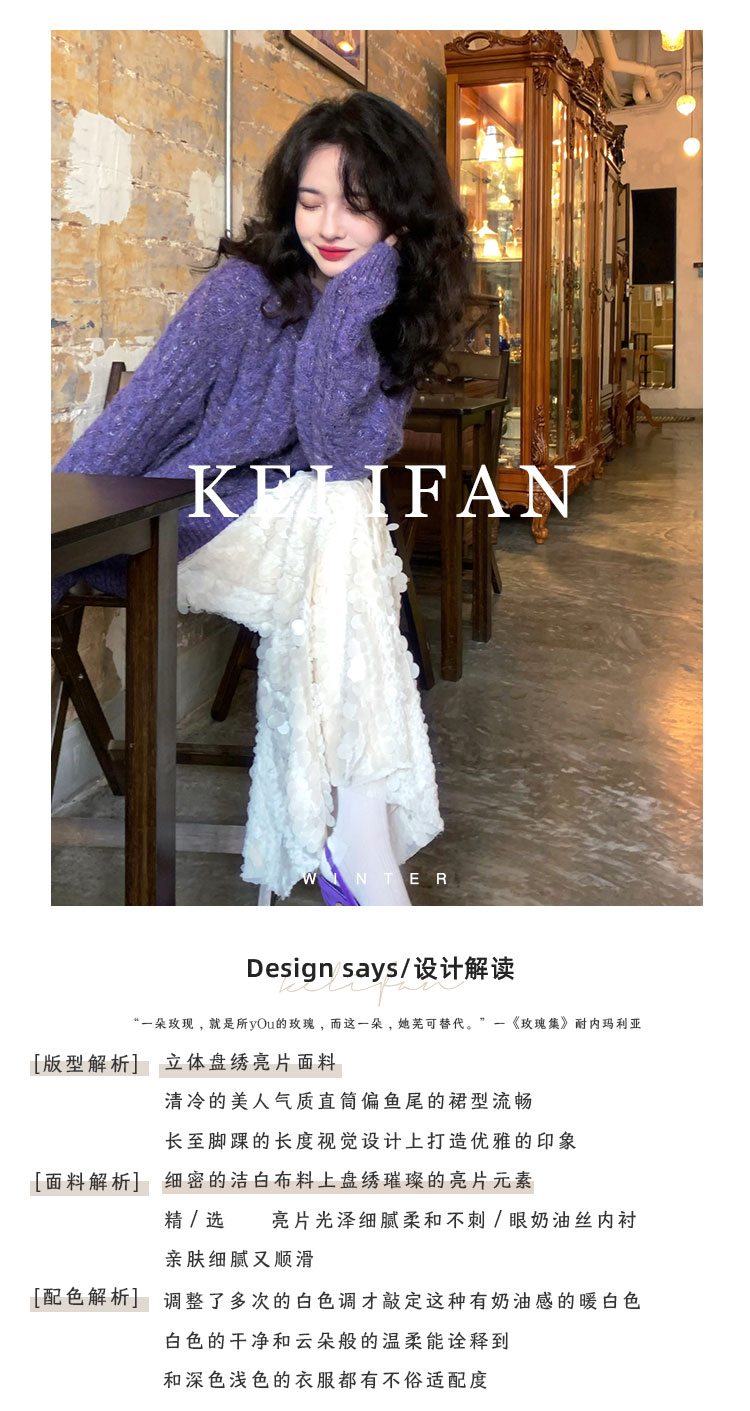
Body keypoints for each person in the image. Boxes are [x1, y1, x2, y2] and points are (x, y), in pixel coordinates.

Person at [52, 91, 474, 906]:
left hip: (304, 538)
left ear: (402, 218)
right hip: (180, 518)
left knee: (340, 514)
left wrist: (351, 304)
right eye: (311, 202)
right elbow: (136, 425)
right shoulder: (238, 295)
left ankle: (349, 836)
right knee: (344, 518)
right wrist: (45, 548)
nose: (329, 226)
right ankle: (360, 847)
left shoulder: (391, 312)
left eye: (357, 205)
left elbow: (339, 449)